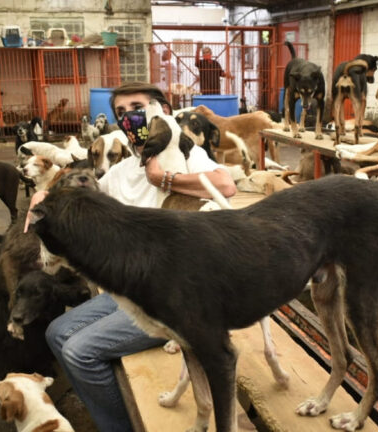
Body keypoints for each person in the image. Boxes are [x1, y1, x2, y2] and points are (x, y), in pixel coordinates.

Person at [45, 82, 236, 432]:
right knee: (57, 332)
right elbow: (85, 196)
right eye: (121, 113)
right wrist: (46, 195)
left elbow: (226, 186)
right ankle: (116, 410)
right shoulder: (119, 171)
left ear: (160, 112)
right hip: (133, 288)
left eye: (137, 108)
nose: (129, 118)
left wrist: (163, 178)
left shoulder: (182, 151)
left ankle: (121, 427)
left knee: (78, 351)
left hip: (176, 298)